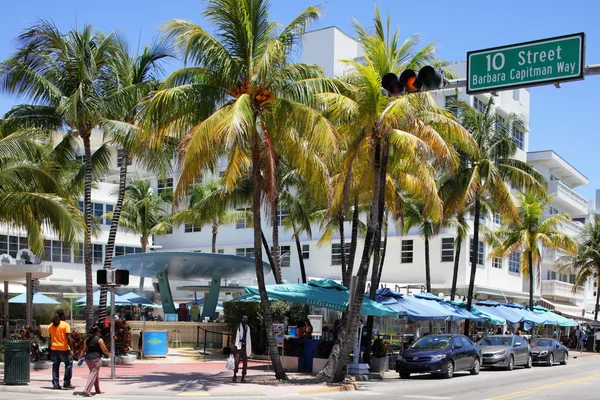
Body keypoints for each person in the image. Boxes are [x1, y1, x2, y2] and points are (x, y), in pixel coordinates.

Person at [79, 326, 110, 397]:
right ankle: (87, 390)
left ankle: (97, 389)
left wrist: (80, 357)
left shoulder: (86, 340)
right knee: (93, 374)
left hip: (88, 359)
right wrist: (109, 354)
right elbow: (104, 349)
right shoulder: (100, 340)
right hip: (95, 358)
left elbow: (84, 350)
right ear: (96, 332)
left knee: (94, 373)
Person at [48, 310, 74, 390]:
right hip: (64, 349)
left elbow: (50, 338)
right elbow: (68, 338)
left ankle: (56, 384)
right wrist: (72, 349)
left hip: (54, 349)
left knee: (55, 366)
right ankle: (66, 383)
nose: (65, 316)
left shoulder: (51, 325)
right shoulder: (65, 325)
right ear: (61, 316)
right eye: (64, 315)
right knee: (68, 364)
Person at [233, 315, 252, 383]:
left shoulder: (247, 328)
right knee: (236, 361)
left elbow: (248, 338)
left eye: (245, 319)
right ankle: (234, 374)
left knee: (245, 363)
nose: (244, 321)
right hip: (238, 346)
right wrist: (234, 346)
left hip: (245, 347)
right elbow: (234, 337)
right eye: (243, 319)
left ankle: (243, 377)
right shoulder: (238, 327)